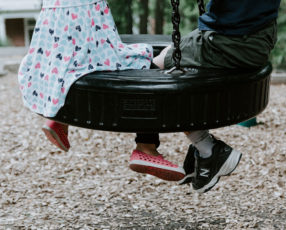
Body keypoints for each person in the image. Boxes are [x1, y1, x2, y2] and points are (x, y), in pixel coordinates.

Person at [17, 0, 185, 181]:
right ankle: (146, 147)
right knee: (136, 62)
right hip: (85, 17)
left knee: (65, 61)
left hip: (55, 17)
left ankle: (58, 114)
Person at [133, 0, 281, 193]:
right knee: (173, 61)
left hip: (231, 40)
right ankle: (204, 150)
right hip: (257, 34)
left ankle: (151, 146)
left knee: (157, 67)